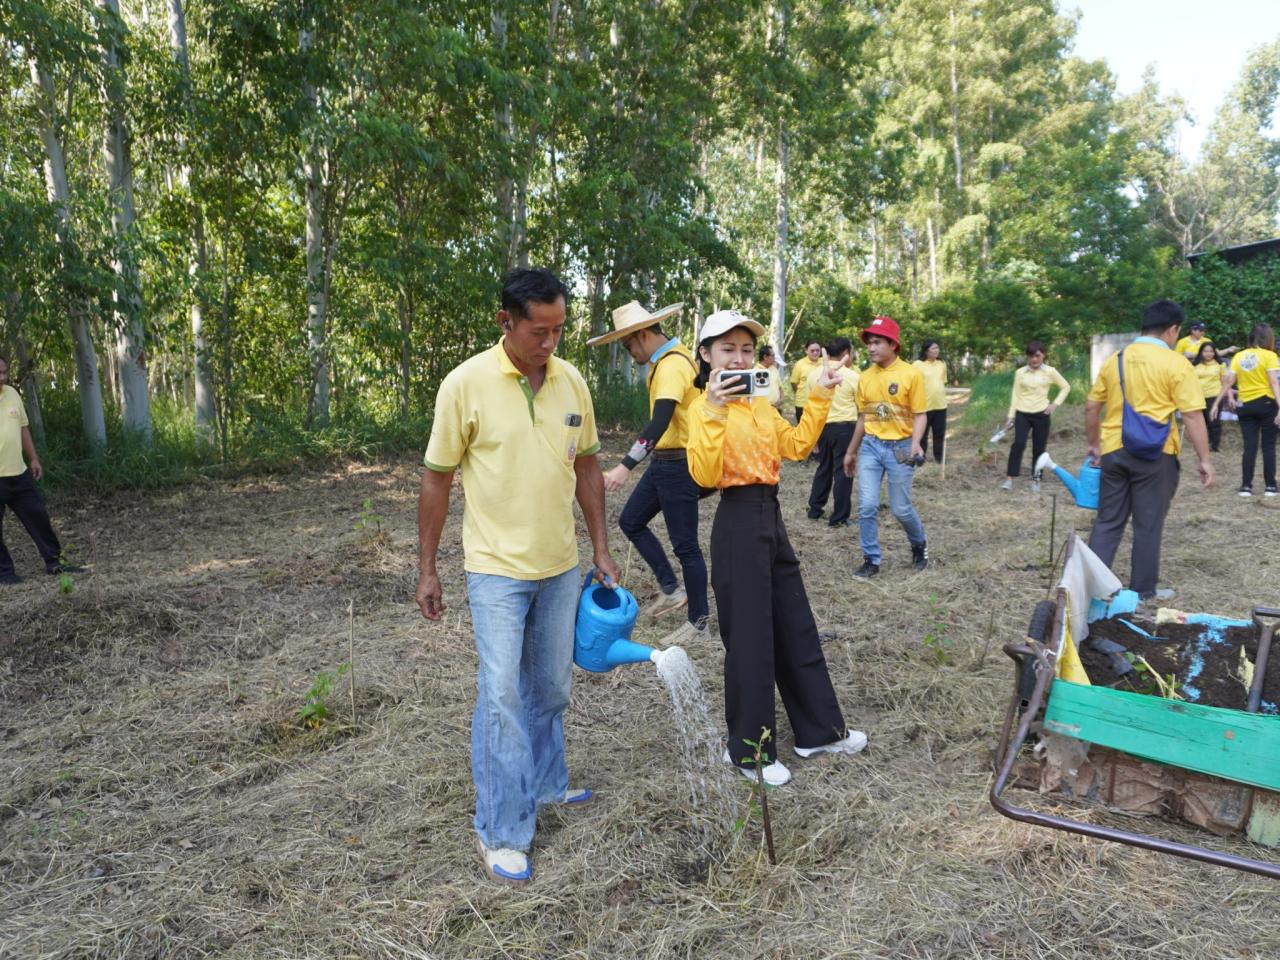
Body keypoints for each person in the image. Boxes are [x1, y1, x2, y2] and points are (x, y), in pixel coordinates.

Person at [415, 268, 622, 886]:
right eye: (539, 331)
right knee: (501, 696)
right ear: (506, 322)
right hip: (495, 572)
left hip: (559, 567)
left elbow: (588, 468)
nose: (550, 343)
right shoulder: (465, 385)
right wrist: (427, 568)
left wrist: (600, 548)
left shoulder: (571, 381)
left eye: (559, 330)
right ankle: (501, 829)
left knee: (551, 688)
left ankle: (549, 783)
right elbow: (436, 480)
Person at [687, 309, 867, 787]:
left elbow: (797, 445)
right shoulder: (701, 409)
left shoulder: (761, 402)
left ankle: (819, 731)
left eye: (746, 350)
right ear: (706, 355)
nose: (739, 358)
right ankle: (749, 751)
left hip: (771, 516)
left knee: (795, 625)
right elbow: (703, 475)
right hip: (737, 521)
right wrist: (715, 409)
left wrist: (821, 393)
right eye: (727, 349)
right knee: (749, 639)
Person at [1085, 299, 1214, 600]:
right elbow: (1192, 416)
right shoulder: (1176, 363)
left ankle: (1089, 590)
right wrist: (1205, 459)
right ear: (1173, 330)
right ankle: (1142, 592)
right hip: (1157, 453)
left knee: (1107, 521)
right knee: (1147, 524)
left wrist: (1094, 444)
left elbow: (1092, 406)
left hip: (1114, 450)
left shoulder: (1116, 359)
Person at [593, 301, 708, 634]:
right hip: (663, 461)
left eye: (628, 345)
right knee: (630, 520)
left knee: (686, 546)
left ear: (643, 335)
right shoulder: (670, 359)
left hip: (679, 463)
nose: (630, 354)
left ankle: (699, 622)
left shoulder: (671, 364)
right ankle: (671, 588)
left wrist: (625, 465)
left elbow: (660, 422)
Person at [842, 315, 929, 578]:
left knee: (900, 508)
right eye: (869, 342)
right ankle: (871, 559)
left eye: (877, 342)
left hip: (901, 448)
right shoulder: (865, 377)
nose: (871, 347)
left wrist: (916, 443)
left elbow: (920, 414)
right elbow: (863, 417)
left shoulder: (911, 374)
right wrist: (851, 451)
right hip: (871, 446)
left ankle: (919, 544)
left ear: (893, 345)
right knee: (866, 506)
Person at [0, 357, 81, 583]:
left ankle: (56, 562)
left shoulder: (12, 394)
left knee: (39, 517)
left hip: (19, 474)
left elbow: (23, 427)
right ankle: (4, 573)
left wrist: (34, 458)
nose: (2, 378)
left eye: (4, 372)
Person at [1212, 322, 1280, 497]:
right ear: (1269, 338)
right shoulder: (1270, 355)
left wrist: (1216, 403)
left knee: (1249, 447)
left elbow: (1228, 381)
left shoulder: (1239, 356)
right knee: (1268, 446)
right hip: (1266, 404)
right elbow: (1274, 382)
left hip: (1245, 405)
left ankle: (1246, 487)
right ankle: (1270, 487)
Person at [1001, 341, 1070, 493]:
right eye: (1031, 356)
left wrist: (1054, 405)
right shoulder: (1020, 373)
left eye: (1037, 356)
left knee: (1039, 448)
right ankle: (1009, 479)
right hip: (1022, 413)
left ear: (1043, 355)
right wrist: (1010, 416)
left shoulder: (1050, 371)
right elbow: (1016, 395)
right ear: (1027, 356)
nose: (1034, 359)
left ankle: (1036, 479)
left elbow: (1066, 387)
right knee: (1018, 444)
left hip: (1042, 414)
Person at [806, 336, 859, 526]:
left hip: (822, 427)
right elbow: (860, 407)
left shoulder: (814, 374)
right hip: (845, 428)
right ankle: (839, 517)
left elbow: (810, 404)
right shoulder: (852, 376)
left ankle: (814, 509)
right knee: (843, 472)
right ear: (845, 353)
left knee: (824, 468)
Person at [912, 339, 949, 465]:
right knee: (922, 434)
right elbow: (911, 383)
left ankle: (939, 458)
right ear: (926, 351)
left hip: (940, 405)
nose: (937, 350)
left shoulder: (942, 364)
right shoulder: (917, 364)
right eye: (934, 348)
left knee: (939, 433)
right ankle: (920, 457)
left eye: (937, 348)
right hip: (924, 405)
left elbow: (942, 382)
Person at [1191, 341, 1226, 453]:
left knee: (1213, 421)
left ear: (1215, 353)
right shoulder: (1195, 364)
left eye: (1211, 351)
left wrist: (1229, 396)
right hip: (1199, 397)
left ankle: (1214, 444)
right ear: (1201, 352)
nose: (1208, 354)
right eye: (1205, 351)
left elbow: (1224, 382)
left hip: (1214, 396)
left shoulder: (1220, 364)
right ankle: (1203, 443)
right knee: (1201, 421)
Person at [789, 340, 823, 424]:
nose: (815, 353)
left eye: (817, 350)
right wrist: (801, 392)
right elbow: (794, 382)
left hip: (820, 404)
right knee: (803, 429)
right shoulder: (800, 364)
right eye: (812, 351)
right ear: (806, 351)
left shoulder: (824, 363)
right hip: (802, 404)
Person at [756, 344, 784, 409]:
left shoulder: (774, 369)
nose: (775, 358)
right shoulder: (755, 372)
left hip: (777, 408)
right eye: (773, 355)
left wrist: (781, 400)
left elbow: (780, 387)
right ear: (765, 357)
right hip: (763, 410)